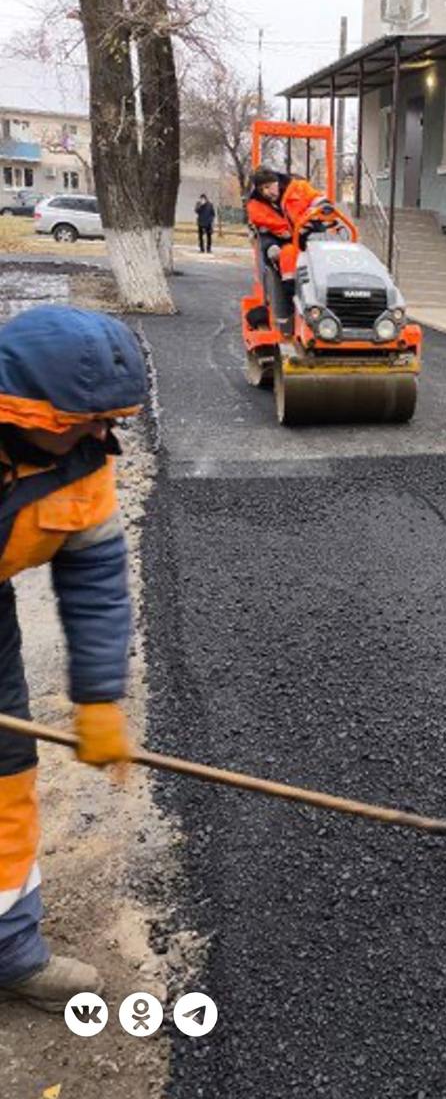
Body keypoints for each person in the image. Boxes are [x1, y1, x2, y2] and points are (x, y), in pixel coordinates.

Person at [0, 306, 147, 1012]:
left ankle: (10, 954)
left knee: (5, 776)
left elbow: (94, 583)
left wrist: (97, 699)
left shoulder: (84, 466)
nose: (102, 433)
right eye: (85, 418)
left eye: (111, 417)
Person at [245, 167, 335, 335]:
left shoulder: (299, 188)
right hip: (285, 242)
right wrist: (271, 247)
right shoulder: (257, 207)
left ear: (277, 183)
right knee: (287, 256)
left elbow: (317, 200)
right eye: (262, 189)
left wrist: (323, 208)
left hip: (312, 235)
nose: (267, 192)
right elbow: (265, 232)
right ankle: (291, 304)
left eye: (269, 186)